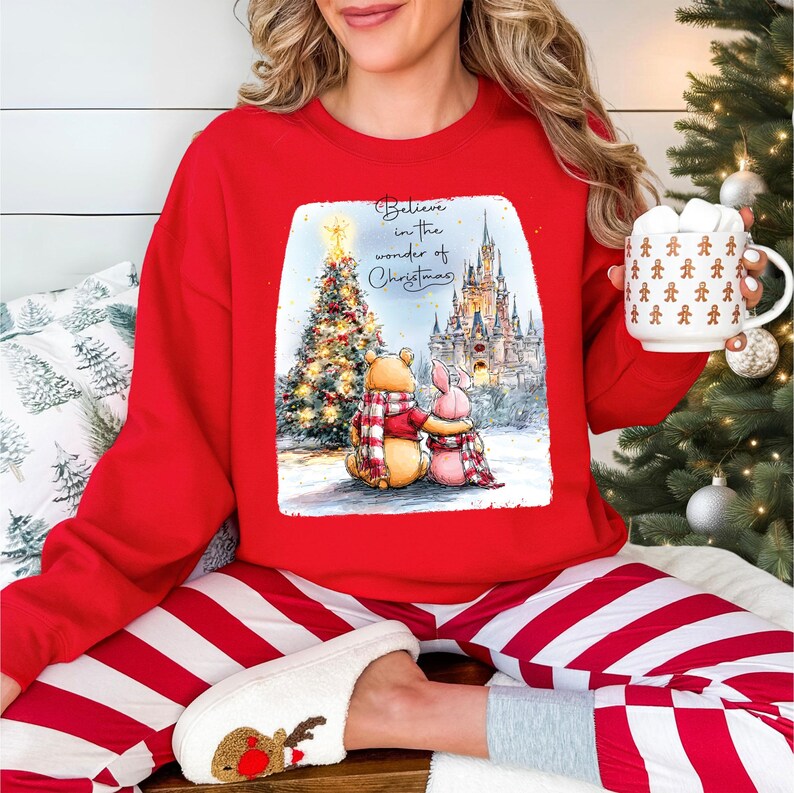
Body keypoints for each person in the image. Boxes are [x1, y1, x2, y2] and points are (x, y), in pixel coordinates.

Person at [2, 1, 790, 790]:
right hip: (296, 588)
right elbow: (170, 461)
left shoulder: (561, 140)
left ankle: (397, 708)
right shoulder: (233, 162)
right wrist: (18, 639)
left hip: (544, 578)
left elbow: (614, 399)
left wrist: (675, 329)